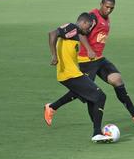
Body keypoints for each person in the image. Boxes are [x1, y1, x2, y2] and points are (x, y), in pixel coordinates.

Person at [44, 0, 134, 127]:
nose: (109, 10)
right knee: (85, 93)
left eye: (111, 8)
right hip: (86, 60)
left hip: (99, 59)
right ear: (101, 4)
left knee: (116, 79)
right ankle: (52, 107)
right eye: (106, 7)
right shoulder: (93, 17)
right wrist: (89, 49)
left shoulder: (106, 18)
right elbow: (80, 32)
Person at [46, 12, 113, 143]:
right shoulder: (71, 27)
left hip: (72, 73)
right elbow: (52, 34)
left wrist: (89, 50)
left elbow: (81, 36)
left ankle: (52, 107)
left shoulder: (75, 32)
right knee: (100, 96)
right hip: (69, 74)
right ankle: (97, 133)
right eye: (88, 27)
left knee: (88, 97)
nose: (89, 30)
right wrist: (54, 55)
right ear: (83, 23)